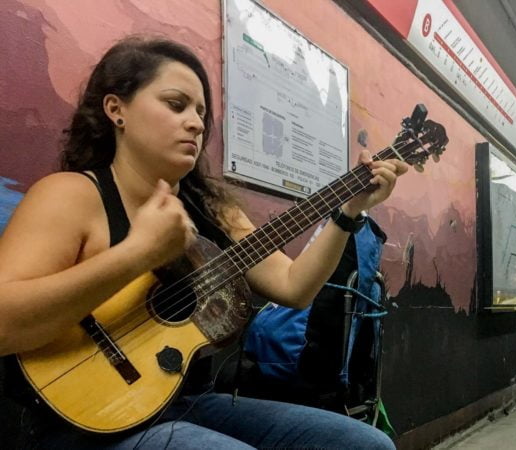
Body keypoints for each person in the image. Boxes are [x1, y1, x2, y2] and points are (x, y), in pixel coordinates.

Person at [0, 37, 406, 449]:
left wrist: (348, 211)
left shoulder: (212, 209)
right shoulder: (71, 195)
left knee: (366, 444)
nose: (195, 123)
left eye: (200, 112)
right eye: (176, 105)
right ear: (115, 109)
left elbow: (293, 287)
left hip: (184, 403)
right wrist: (136, 253)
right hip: (81, 424)